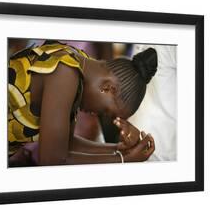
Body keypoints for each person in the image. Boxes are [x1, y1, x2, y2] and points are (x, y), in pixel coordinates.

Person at [8, 40, 157, 167]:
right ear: (108, 88)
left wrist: (119, 150)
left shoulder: (77, 64)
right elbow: (51, 160)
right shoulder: (66, 74)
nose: (96, 114)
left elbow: (66, 143)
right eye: (105, 111)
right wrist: (123, 159)